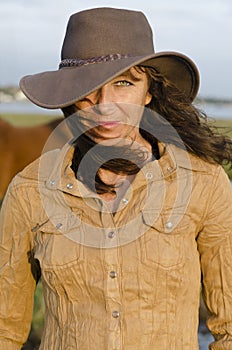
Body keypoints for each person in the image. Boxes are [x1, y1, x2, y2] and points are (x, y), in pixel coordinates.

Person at [0, 7, 232, 350]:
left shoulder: (204, 183)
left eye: (123, 83)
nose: (105, 106)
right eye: (87, 89)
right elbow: (4, 329)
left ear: (148, 91)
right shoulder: (28, 192)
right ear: (69, 97)